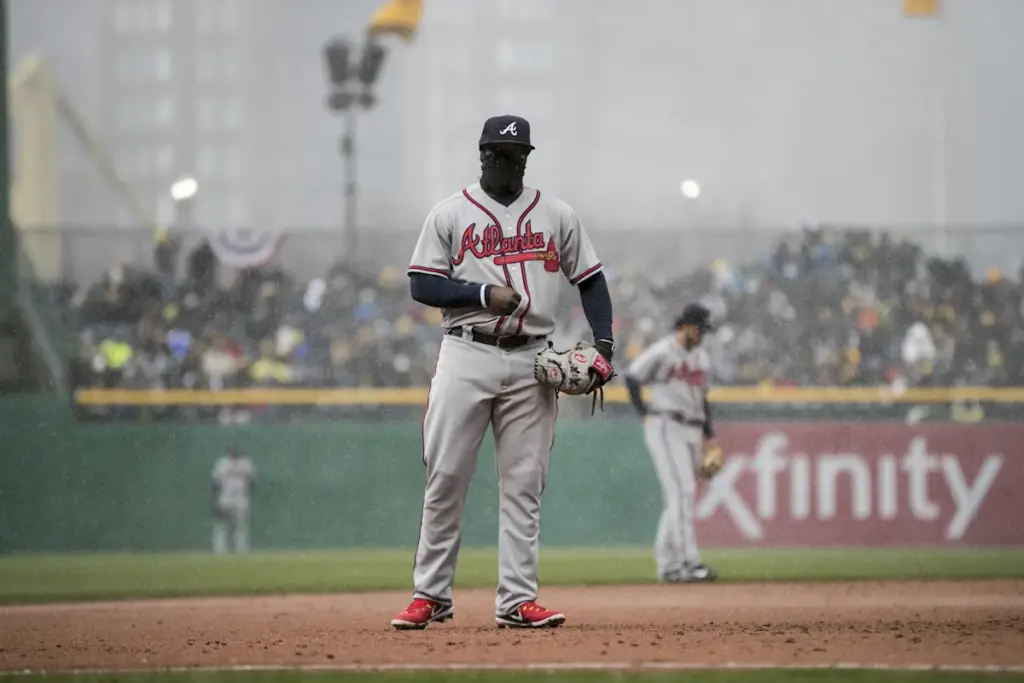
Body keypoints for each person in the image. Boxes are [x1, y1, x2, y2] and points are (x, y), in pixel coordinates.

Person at [392, 114, 615, 630]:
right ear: (482, 155)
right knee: (446, 476)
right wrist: (480, 294)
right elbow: (422, 284)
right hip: (466, 351)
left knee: (523, 483)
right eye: (496, 153)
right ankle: (431, 594)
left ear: (526, 159)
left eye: (514, 155)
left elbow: (591, 280)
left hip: (533, 359)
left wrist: (603, 344)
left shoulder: (556, 214)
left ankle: (517, 600)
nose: (505, 161)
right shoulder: (450, 213)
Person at [624, 303, 718, 583]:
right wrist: (643, 413)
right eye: (700, 329)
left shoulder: (701, 356)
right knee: (683, 492)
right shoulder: (663, 351)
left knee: (679, 497)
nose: (703, 335)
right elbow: (632, 376)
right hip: (666, 425)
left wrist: (710, 437)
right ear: (686, 326)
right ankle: (689, 563)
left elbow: (702, 398)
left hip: (692, 427)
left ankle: (668, 565)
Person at [211, 445, 255, 554]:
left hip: (241, 498)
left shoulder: (246, 463)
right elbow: (215, 483)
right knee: (222, 526)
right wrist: (215, 499)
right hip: (226, 498)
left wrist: (247, 494)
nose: (234, 451)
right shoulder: (222, 463)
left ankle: (242, 550)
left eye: (235, 450)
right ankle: (220, 551)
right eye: (231, 450)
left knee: (241, 526)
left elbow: (252, 481)